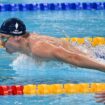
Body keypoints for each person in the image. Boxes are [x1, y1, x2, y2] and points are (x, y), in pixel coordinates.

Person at [0, 18, 105, 72]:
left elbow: (73, 57)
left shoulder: (38, 48)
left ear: (17, 37)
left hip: (98, 58)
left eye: (3, 38)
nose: (1, 43)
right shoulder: (26, 43)